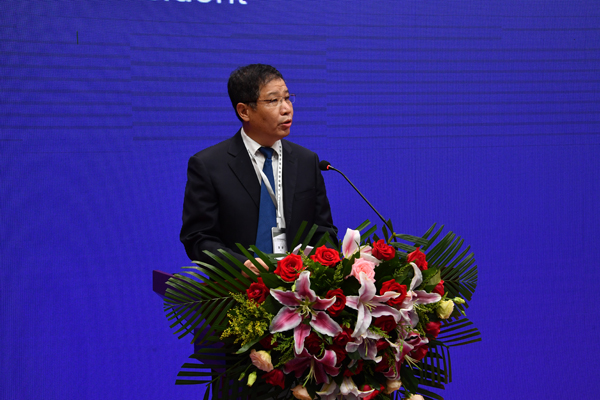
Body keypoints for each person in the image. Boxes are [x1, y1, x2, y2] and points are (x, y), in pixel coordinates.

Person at [180, 64, 337, 273]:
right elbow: (198, 238)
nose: (286, 108)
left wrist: (318, 270)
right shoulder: (209, 165)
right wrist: (241, 266)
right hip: (239, 287)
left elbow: (324, 230)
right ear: (244, 111)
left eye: (287, 98)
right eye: (273, 101)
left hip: (300, 286)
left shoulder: (307, 161)